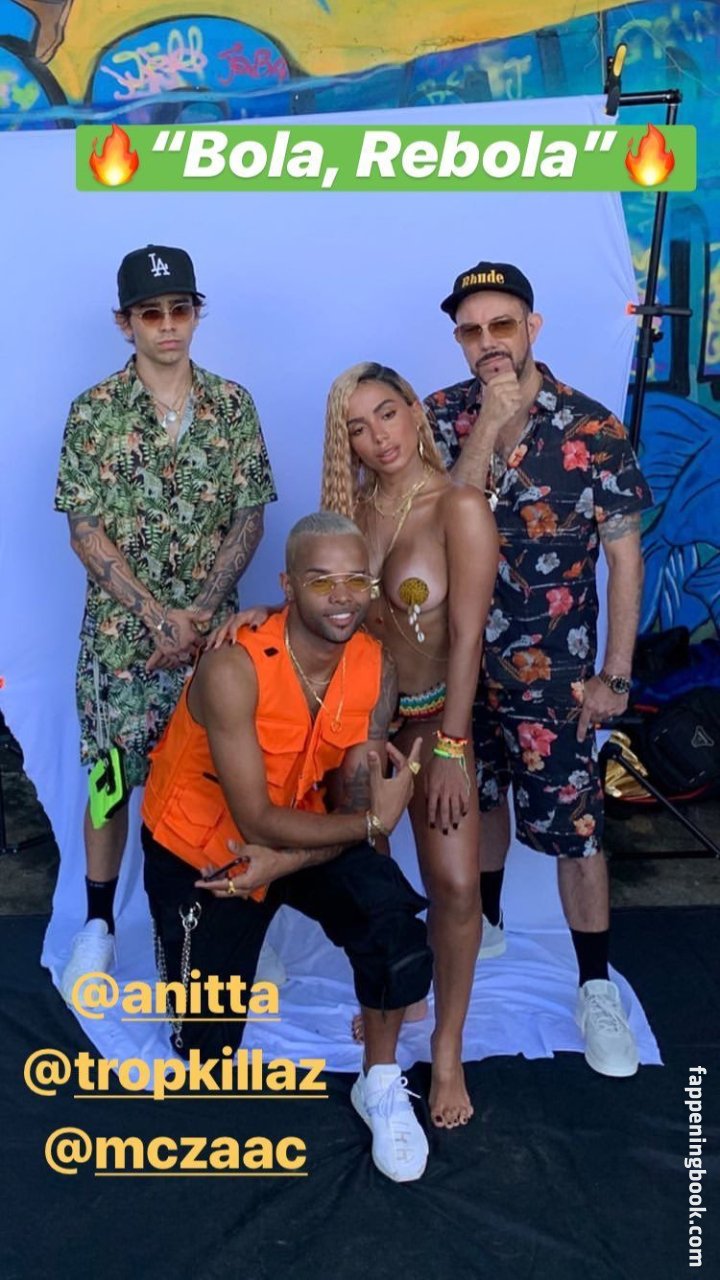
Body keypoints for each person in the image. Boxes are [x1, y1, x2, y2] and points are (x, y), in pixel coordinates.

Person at [141, 512, 432, 1183]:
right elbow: (257, 821)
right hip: (207, 851)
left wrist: (352, 832)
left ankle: (380, 1082)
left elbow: (355, 808)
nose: (342, 596)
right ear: (288, 585)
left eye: (356, 579)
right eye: (321, 580)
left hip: (301, 831)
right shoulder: (232, 666)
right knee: (205, 1056)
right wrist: (374, 822)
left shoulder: (375, 666)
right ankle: (206, 938)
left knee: (392, 922)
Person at [424, 260, 653, 1078]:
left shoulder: (593, 429)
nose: (487, 342)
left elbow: (624, 558)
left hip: (557, 674)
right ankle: (484, 926)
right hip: (457, 664)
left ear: (532, 328)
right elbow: (438, 522)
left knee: (576, 829)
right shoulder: (440, 416)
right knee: (475, 799)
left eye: (502, 325)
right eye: (471, 331)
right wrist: (487, 426)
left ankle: (595, 986)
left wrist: (615, 675)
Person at [55, 244, 276, 1000]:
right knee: (111, 780)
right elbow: (84, 529)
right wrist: (156, 617)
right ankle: (98, 923)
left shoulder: (233, 405)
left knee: (218, 777)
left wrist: (202, 614)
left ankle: (229, 922)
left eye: (181, 309)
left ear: (196, 314)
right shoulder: (92, 411)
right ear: (126, 324)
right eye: (151, 314)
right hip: (121, 642)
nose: (168, 325)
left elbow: (250, 516)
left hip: (213, 640)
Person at [321, 362, 498, 1128]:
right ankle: (399, 996)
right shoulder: (351, 514)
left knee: (455, 887)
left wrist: (453, 747)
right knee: (376, 889)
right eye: (357, 427)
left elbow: (467, 637)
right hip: (364, 731)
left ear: (415, 413)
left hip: (433, 725)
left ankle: (447, 1052)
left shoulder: (458, 506)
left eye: (387, 414)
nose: (378, 437)